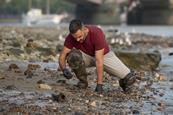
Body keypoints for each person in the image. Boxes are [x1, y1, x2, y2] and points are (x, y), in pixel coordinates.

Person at [59, 19, 136, 93]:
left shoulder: (96, 32)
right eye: (75, 38)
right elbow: (62, 55)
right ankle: (83, 82)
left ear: (84, 29)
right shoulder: (70, 37)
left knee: (130, 78)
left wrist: (99, 85)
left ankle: (123, 83)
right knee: (73, 56)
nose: (78, 40)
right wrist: (64, 69)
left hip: (104, 56)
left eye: (80, 36)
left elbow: (99, 60)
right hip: (86, 56)